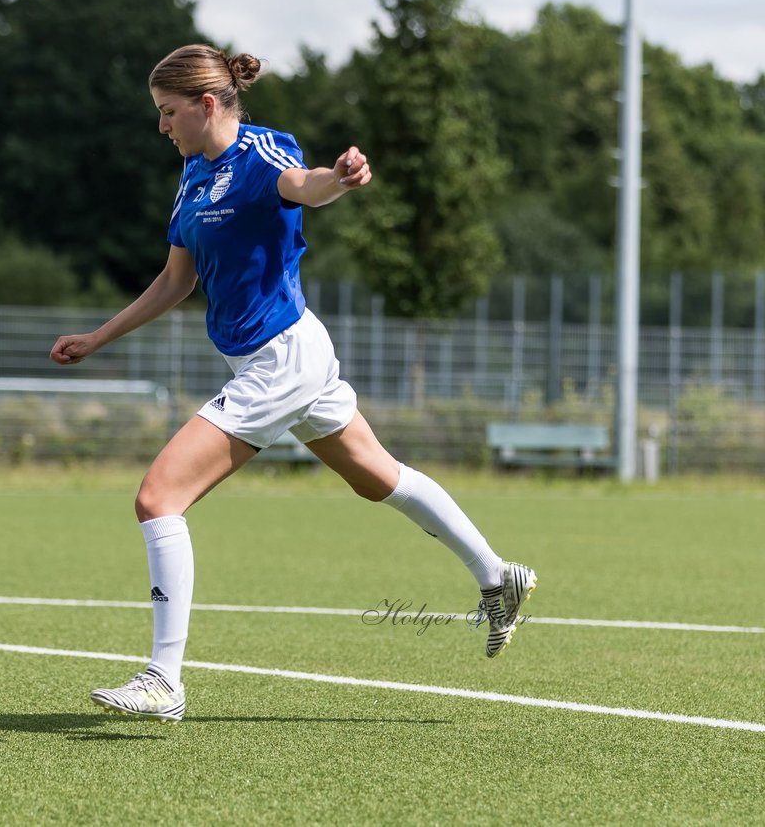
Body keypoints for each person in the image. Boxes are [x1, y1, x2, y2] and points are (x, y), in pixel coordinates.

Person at [49, 45, 537, 723]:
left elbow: (305, 185)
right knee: (376, 476)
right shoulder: (193, 176)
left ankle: (164, 679)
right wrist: (98, 338)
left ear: (207, 104)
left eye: (167, 113)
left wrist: (342, 177)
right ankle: (497, 576)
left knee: (159, 497)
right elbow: (175, 281)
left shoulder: (260, 153)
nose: (161, 127)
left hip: (284, 356)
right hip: (270, 362)